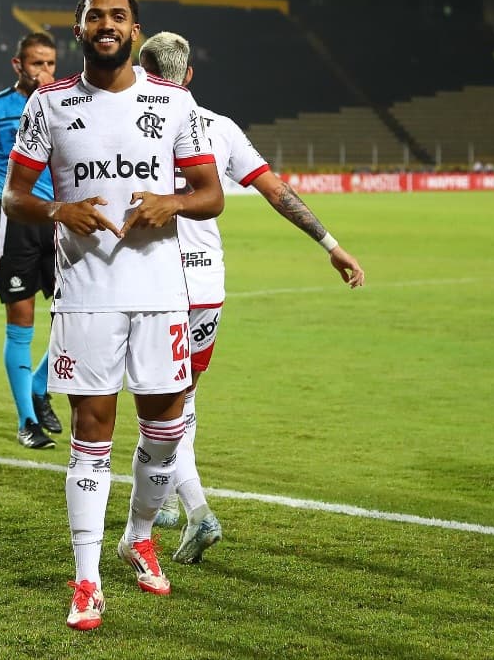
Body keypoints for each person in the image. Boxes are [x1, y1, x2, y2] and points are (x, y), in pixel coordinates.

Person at [3, 0, 227, 631]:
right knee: (91, 436)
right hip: (87, 297)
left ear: (134, 30)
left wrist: (172, 203)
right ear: (79, 30)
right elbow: (14, 195)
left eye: (118, 17)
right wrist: (57, 209)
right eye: (94, 16)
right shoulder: (49, 104)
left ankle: (138, 536)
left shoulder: (174, 102)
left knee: (165, 434)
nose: (107, 24)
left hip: (161, 295)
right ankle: (86, 580)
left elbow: (210, 194)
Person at [138, 31, 365, 565]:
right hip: (207, 287)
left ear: (144, 74)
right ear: (189, 74)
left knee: (160, 408)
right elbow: (277, 192)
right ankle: (167, 500)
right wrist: (331, 245)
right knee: (183, 401)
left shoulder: (136, 124)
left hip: (158, 282)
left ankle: (196, 511)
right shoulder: (220, 127)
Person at [0, 32, 64, 449]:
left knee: (77, 317)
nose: (45, 71)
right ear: (18, 65)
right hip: (14, 222)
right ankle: (27, 420)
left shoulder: (66, 104)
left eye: (51, 63)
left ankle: (40, 385)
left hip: (60, 220)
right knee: (21, 321)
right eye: (37, 63)